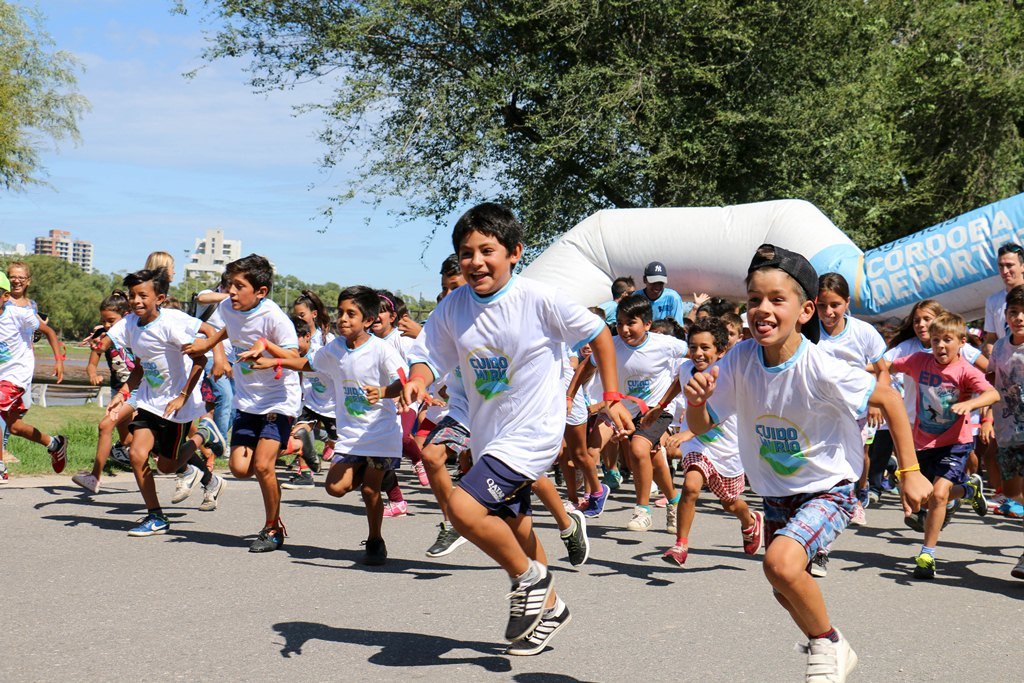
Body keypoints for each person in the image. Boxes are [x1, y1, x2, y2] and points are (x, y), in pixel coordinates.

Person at [683, 244, 930, 683]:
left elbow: (889, 397)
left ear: (805, 310)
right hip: (778, 491)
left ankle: (827, 645)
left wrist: (910, 473)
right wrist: (696, 403)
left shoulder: (820, 366)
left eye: (777, 299)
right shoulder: (739, 358)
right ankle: (832, 644)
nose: (763, 309)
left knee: (780, 564)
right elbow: (705, 425)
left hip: (831, 486)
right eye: (755, 299)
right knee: (784, 586)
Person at [400, 202, 633, 655]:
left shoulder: (538, 299)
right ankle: (552, 607)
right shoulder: (453, 307)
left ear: (514, 253)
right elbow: (430, 355)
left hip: (532, 433)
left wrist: (610, 396)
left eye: (487, 250)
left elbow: (599, 334)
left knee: (463, 510)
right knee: (519, 529)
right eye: (466, 253)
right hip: (489, 434)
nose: (475, 262)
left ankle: (528, 577)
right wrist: (417, 380)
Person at [255, 285, 405, 565]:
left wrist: (383, 392)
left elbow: (403, 380)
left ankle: (375, 541)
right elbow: (309, 364)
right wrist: (275, 361)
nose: (343, 319)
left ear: (368, 321)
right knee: (334, 488)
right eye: (341, 312)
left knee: (371, 491)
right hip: (351, 435)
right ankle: (376, 471)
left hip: (380, 433)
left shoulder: (381, 350)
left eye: (351, 314)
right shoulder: (334, 348)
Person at [185, 254, 302, 553]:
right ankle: (294, 443)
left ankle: (273, 527)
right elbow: (229, 329)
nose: (231, 292)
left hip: (279, 399)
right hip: (248, 400)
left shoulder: (275, 318)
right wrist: (208, 345)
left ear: (260, 292)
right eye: (229, 285)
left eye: (238, 286)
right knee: (239, 468)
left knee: (263, 466)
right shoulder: (228, 307)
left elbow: (295, 359)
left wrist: (266, 353)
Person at [102, 268, 225, 536]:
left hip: (176, 406)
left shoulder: (170, 323)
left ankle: (203, 434)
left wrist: (182, 396)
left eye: (142, 296)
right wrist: (122, 394)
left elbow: (200, 360)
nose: (136, 301)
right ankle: (156, 516)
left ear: (159, 298)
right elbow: (140, 368)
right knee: (136, 454)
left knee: (167, 466)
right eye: (133, 296)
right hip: (148, 400)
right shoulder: (131, 325)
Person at [888, 312, 998, 579]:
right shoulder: (919, 361)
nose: (939, 345)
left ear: (961, 342)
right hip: (923, 443)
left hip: (955, 443)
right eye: (935, 340)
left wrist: (970, 404)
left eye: (946, 340)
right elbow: (886, 367)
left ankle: (927, 554)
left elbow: (991, 393)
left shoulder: (965, 370)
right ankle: (969, 489)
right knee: (926, 497)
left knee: (938, 495)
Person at [570, 293, 684, 532]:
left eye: (631, 323)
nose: (624, 329)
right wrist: (569, 396)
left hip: (656, 409)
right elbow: (586, 368)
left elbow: (698, 356)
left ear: (647, 324)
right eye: (620, 323)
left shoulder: (667, 345)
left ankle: (643, 510)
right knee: (651, 458)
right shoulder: (610, 344)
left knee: (639, 449)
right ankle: (674, 501)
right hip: (621, 410)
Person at [657, 317, 762, 565]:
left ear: (721, 350)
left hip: (726, 447)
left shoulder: (728, 375)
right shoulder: (685, 368)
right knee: (691, 486)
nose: (698, 353)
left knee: (730, 503)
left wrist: (687, 432)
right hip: (697, 445)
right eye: (693, 347)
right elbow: (679, 383)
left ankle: (750, 521)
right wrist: (659, 407)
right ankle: (680, 545)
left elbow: (718, 415)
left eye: (705, 348)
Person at [0, 272, 67, 481]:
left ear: (5, 296)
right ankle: (54, 443)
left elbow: (48, 331)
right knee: (15, 427)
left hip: (17, 375)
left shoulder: (18, 313)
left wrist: (58, 360)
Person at [72, 291, 137, 493]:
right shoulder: (103, 337)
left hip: (138, 389)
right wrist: (93, 374)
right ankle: (185, 465)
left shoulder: (135, 333)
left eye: (111, 320)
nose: (107, 325)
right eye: (104, 321)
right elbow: (92, 363)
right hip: (119, 390)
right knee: (128, 440)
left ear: (126, 315)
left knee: (106, 425)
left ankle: (95, 477)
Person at [280, 291, 337, 489]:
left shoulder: (327, 340)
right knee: (300, 433)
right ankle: (305, 475)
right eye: (295, 316)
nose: (298, 318)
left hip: (334, 402)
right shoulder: (293, 338)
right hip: (310, 399)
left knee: (338, 443)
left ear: (313, 314)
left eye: (302, 315)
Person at [990, 284, 1024, 578]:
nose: (1020, 317)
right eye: (1014, 311)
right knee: (1012, 494)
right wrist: (986, 419)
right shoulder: (1000, 347)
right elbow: (991, 383)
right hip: (1007, 431)